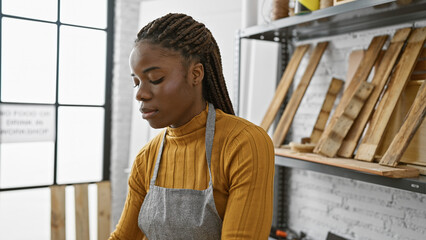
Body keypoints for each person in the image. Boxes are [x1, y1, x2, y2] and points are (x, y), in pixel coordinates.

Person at [109, 13, 275, 240]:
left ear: (195, 74)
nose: (140, 94)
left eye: (155, 78)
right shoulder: (146, 159)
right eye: (136, 82)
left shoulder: (243, 144)